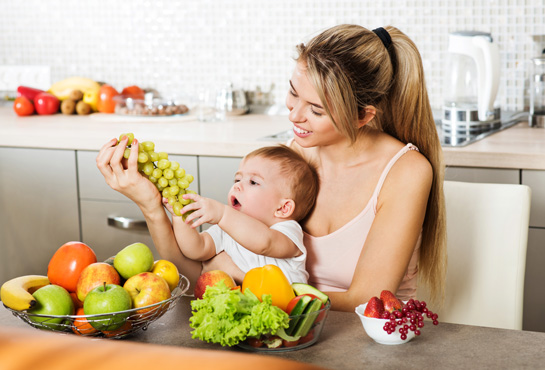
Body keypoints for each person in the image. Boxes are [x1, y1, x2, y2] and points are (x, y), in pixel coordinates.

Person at [96, 24, 446, 313]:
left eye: (316, 110)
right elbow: (200, 269)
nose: (294, 115)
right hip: (284, 333)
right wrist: (151, 206)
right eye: (293, 93)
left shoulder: (406, 172)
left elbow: (365, 301)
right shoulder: (291, 160)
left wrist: (248, 290)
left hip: (368, 343)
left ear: (363, 116)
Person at [162, 145, 319, 284]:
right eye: (237, 179)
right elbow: (197, 249)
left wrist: (223, 214)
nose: (237, 186)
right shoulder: (226, 228)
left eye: (253, 182)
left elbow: (265, 243)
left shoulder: (287, 230)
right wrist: (180, 215)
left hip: (288, 314)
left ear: (283, 208)